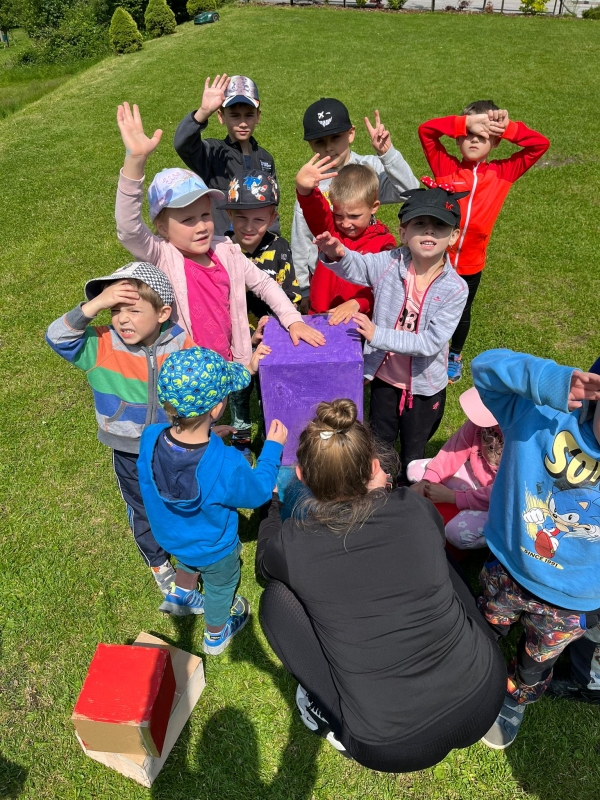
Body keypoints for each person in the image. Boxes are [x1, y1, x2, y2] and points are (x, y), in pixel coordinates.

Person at [256, 399, 506, 771]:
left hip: (391, 745)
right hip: (484, 695)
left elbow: (264, 566)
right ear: (375, 467)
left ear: (302, 477)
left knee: (275, 601)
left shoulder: (293, 544)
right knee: (433, 553)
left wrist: (273, 509)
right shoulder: (413, 507)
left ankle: (330, 715)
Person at [115, 101, 324, 372]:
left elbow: (265, 284)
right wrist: (135, 161)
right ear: (163, 228)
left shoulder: (226, 251)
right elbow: (129, 228)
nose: (201, 226)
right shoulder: (162, 254)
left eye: (205, 214)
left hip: (230, 365)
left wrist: (293, 319)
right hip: (185, 372)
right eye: (187, 220)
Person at [471, 349, 600, 749]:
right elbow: (485, 370)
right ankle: (472, 667)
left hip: (572, 601)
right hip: (509, 568)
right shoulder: (538, 412)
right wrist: (549, 381)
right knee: (486, 626)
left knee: (536, 662)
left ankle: (515, 699)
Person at [46, 262, 194, 597]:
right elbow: (57, 337)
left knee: (180, 499)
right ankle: (158, 563)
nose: (122, 319)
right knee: (142, 507)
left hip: (173, 445)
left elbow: (198, 382)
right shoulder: (101, 344)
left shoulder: (179, 342)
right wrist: (95, 304)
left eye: (133, 310)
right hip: (128, 450)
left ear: (162, 313)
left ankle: (186, 550)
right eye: (114, 310)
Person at [137, 346, 288, 654]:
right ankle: (216, 635)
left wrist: (208, 434)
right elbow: (259, 492)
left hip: (171, 535)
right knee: (221, 586)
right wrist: (272, 448)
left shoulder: (151, 436)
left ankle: (182, 595)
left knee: (188, 558)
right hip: (214, 549)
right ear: (218, 407)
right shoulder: (226, 464)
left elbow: (181, 454)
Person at [315, 184, 468, 483]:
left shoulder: (456, 289)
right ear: (403, 231)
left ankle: (410, 494)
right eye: (419, 223)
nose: (429, 231)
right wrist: (338, 253)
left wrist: (377, 334)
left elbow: (430, 343)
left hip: (424, 390)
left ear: (453, 236)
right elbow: (359, 266)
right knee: (380, 446)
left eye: (439, 226)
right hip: (384, 380)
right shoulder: (389, 263)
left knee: (414, 454)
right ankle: (380, 491)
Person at [419, 101, 549, 383]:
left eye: (483, 135)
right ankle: (426, 347)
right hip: (436, 259)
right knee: (428, 303)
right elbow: (426, 131)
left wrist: (508, 128)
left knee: (462, 311)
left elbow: (540, 145)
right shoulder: (445, 166)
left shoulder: (503, 172)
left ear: (496, 141)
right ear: (458, 138)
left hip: (471, 264)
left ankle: (454, 355)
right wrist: (464, 122)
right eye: (468, 134)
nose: (474, 140)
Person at [292, 99, 419, 312]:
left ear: (351, 133)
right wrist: (304, 287)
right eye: (319, 142)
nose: (329, 147)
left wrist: (387, 154)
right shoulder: (311, 182)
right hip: (325, 279)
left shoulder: (370, 168)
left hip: (362, 286)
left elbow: (409, 190)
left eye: (335, 137)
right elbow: (302, 237)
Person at [219, 170, 300, 458]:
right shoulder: (222, 249)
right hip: (236, 342)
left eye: (259, 219)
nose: (249, 226)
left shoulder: (280, 249)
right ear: (229, 215)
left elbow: (291, 297)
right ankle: (240, 443)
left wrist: (274, 325)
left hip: (270, 341)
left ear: (273, 216)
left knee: (270, 393)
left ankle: (271, 441)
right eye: (241, 217)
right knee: (239, 395)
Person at [173, 74, 278, 236]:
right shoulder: (212, 152)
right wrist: (203, 112)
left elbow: (272, 203)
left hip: (257, 242)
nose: (242, 123)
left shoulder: (265, 159)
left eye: (249, 115)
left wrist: (273, 236)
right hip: (221, 243)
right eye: (235, 115)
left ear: (258, 116)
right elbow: (183, 144)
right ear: (221, 116)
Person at [295, 156, 396, 324]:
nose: (346, 223)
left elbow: (387, 285)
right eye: (338, 215)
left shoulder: (384, 242)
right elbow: (317, 213)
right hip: (319, 316)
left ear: (374, 207)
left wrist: (359, 302)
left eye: (354, 216)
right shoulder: (331, 230)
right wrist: (305, 191)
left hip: (356, 323)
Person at [408, 386, 502, 550]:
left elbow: (504, 493)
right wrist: (428, 480)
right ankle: (462, 505)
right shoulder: (479, 420)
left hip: (500, 502)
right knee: (414, 470)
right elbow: (454, 450)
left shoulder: (520, 443)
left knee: (455, 533)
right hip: (475, 478)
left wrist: (454, 497)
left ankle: (501, 536)